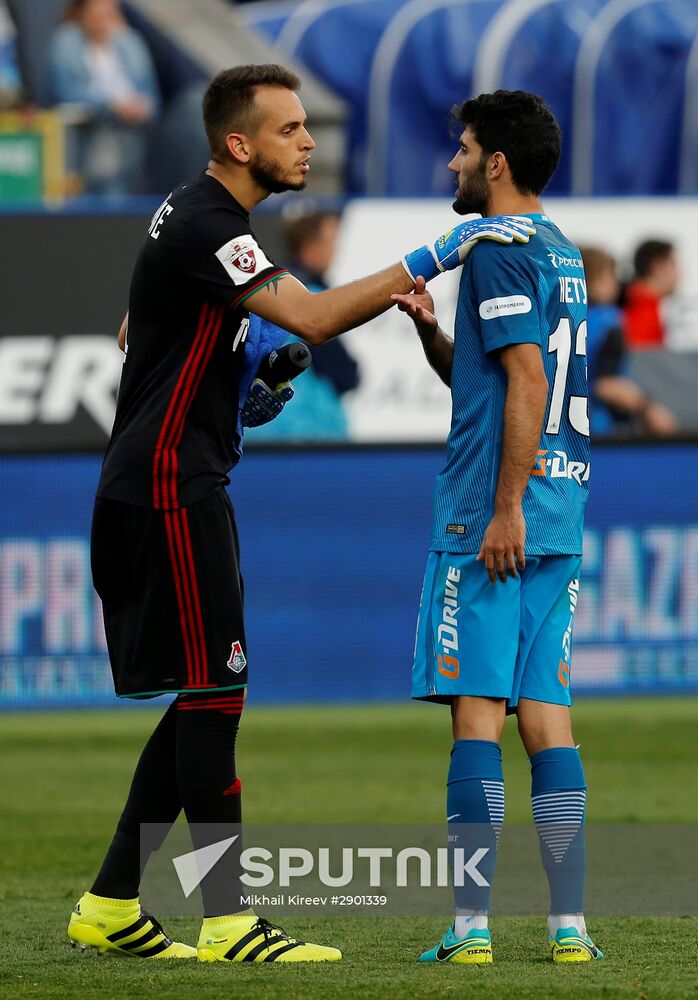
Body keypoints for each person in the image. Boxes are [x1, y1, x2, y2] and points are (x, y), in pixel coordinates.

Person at [67, 64, 535, 965]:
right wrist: (436, 256)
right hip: (169, 487)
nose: (309, 141)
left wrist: (230, 384)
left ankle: (111, 902)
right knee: (216, 691)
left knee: (204, 690)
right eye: (290, 129)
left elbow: (139, 332)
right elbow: (315, 319)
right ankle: (230, 921)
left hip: (174, 478)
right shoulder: (210, 222)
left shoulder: (198, 214)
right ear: (239, 145)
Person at [392, 90, 603, 965]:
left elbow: (524, 383)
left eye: (464, 150)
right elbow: (500, 381)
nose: (453, 164)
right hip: (562, 509)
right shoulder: (560, 251)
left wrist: (502, 507)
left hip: (492, 518)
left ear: (497, 164)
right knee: (548, 718)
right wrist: (440, 343)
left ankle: (471, 929)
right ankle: (569, 931)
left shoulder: (492, 250)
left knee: (475, 718)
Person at [249, 211, 360, 440]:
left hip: (258, 435)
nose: (335, 251)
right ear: (310, 248)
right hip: (309, 435)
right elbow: (346, 374)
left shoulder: (264, 294)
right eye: (330, 243)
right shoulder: (312, 300)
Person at [48, 0, 160, 195]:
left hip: (129, 132)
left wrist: (137, 108)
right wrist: (111, 106)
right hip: (87, 130)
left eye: (109, 8)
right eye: (96, 9)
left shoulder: (129, 42)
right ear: (82, 12)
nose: (103, 15)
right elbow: (67, 93)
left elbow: (150, 97)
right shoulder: (66, 41)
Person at [582, 246, 677, 437]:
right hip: (601, 430)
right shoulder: (609, 321)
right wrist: (648, 408)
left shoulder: (567, 319)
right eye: (612, 275)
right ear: (600, 279)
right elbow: (606, 384)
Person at [623, 239, 679, 349]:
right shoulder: (641, 309)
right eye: (673, 264)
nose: (680, 273)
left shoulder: (639, 302)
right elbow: (639, 360)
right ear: (657, 266)